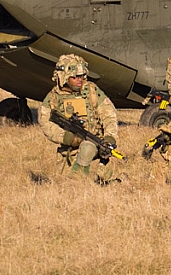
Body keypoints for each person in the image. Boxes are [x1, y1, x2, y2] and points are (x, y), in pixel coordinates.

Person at [38, 54, 120, 183]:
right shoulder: (54, 97)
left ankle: (80, 181)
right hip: (69, 148)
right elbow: (45, 122)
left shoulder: (91, 91)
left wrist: (110, 137)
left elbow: (109, 114)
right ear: (64, 77)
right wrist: (67, 137)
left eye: (81, 76)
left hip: (95, 142)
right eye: (75, 77)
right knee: (61, 183)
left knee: (88, 149)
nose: (79, 80)